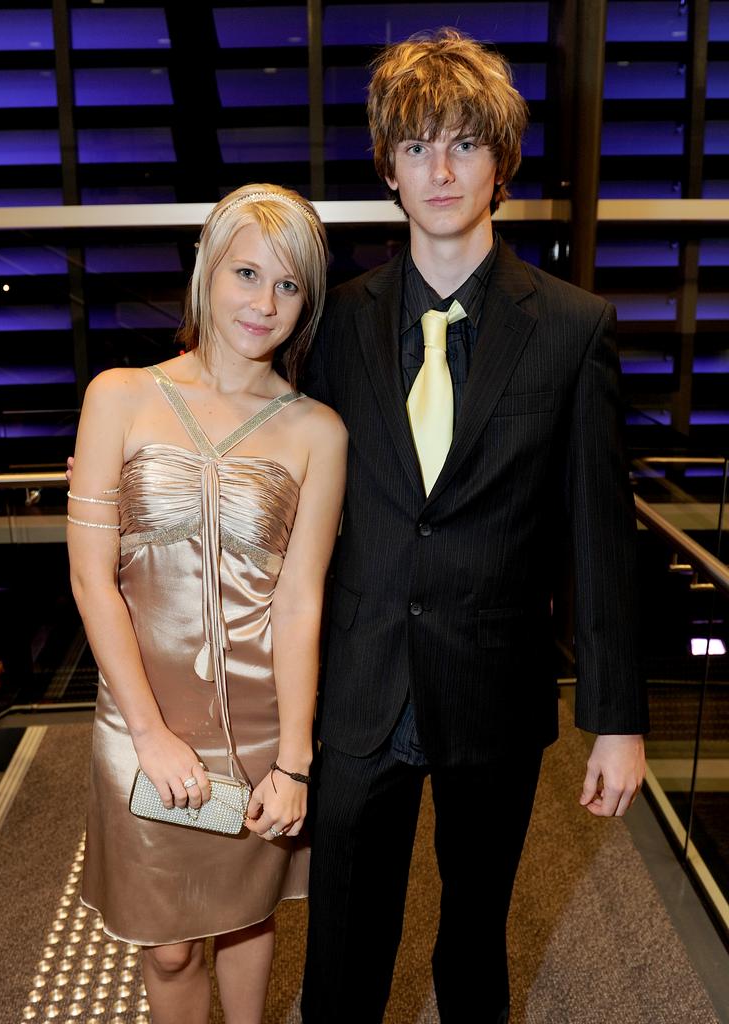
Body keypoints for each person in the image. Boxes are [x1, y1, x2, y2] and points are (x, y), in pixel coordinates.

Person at [299, 29, 649, 1024]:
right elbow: (266, 447)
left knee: (474, 939)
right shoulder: (337, 321)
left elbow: (600, 537)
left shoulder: (573, 328)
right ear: (389, 171)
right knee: (343, 946)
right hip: (359, 680)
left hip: (492, 684)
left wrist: (617, 719)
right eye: (416, 148)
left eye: (462, 143)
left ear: (502, 162)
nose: (440, 168)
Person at [67, 183, 346, 1024]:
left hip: (262, 723)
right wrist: (149, 733)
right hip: (140, 718)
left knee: (242, 914)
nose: (265, 303)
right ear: (206, 271)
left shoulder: (317, 433)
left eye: (290, 285)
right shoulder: (117, 396)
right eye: (247, 273)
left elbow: (300, 604)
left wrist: (295, 760)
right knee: (170, 943)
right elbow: (92, 580)